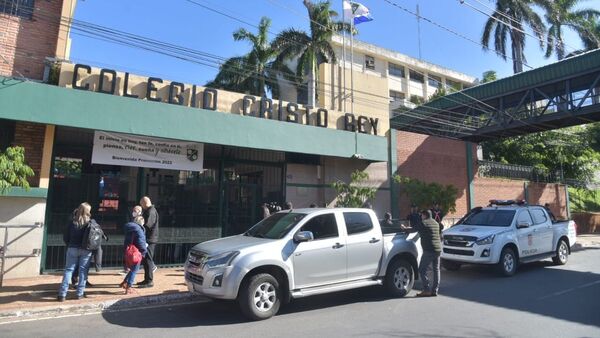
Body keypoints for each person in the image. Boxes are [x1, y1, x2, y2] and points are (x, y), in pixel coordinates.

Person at [57, 203, 95, 302]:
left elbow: (66, 237)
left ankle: (62, 294)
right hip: (86, 250)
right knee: (83, 271)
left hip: (72, 248)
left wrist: (69, 244)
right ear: (88, 211)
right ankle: (79, 293)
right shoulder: (90, 223)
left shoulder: (72, 222)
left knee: (68, 270)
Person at [401, 210, 442, 297]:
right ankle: (435, 290)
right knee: (436, 270)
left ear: (425, 215)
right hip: (438, 249)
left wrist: (404, 228)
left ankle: (426, 290)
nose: (421, 217)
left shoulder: (424, 223)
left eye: (422, 215)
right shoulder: (436, 223)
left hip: (429, 250)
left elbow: (413, 230)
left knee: (422, 270)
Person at [120, 214, 148, 294]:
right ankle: (129, 287)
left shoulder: (129, 229)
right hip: (136, 253)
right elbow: (141, 242)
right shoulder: (139, 230)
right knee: (134, 270)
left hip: (128, 252)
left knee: (132, 269)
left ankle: (124, 282)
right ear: (141, 222)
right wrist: (144, 252)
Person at [139, 197, 159, 288]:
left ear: (144, 203)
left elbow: (147, 225)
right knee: (146, 260)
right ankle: (147, 279)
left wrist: (140, 228)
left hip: (150, 239)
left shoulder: (151, 212)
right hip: (150, 239)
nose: (141, 206)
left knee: (148, 260)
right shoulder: (150, 211)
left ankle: (149, 280)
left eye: (141, 204)